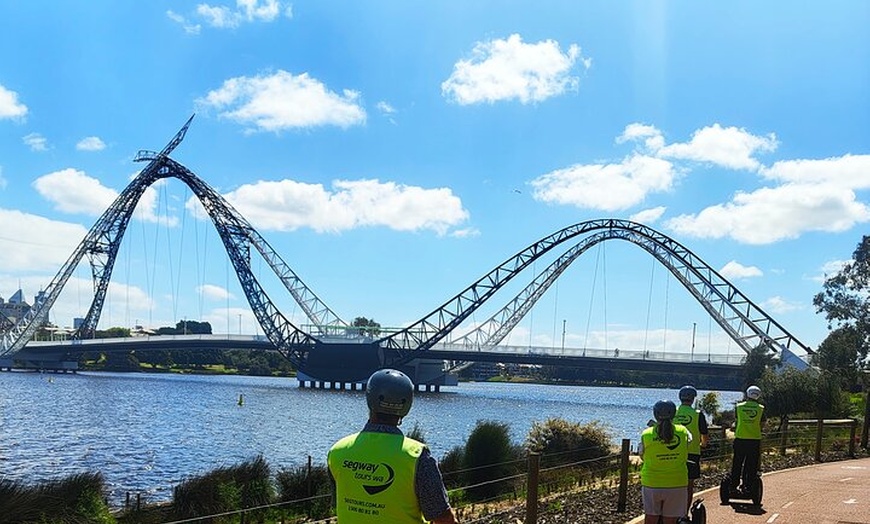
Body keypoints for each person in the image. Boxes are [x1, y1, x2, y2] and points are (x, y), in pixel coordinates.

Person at [327, 369, 459, 523]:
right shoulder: (417, 456)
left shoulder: (337, 451)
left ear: (370, 400)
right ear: (407, 405)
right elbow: (443, 518)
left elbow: (339, 501)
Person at [638, 400, 692, 524]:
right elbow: (688, 443)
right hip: (677, 482)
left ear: (655, 414)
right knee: (671, 521)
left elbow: (642, 455)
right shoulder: (683, 431)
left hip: (652, 482)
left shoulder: (646, 434)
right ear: (674, 414)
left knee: (650, 519)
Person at [674, 385, 708, 513]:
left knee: (673, 482)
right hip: (692, 453)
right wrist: (703, 444)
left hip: (674, 452)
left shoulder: (673, 412)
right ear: (693, 399)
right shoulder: (698, 414)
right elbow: (704, 434)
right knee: (688, 485)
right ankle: (684, 513)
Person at [729, 385, 765, 494]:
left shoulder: (739, 407)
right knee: (751, 464)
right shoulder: (761, 409)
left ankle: (733, 485)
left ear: (747, 394)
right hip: (754, 439)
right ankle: (748, 485)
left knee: (737, 463)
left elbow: (736, 420)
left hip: (740, 438)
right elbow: (762, 424)